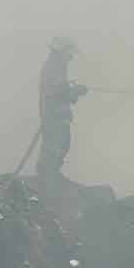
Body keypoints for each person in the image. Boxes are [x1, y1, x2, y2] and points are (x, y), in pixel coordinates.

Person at [36, 36, 88, 179]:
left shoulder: (58, 66)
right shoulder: (53, 66)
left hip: (58, 116)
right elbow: (56, 92)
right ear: (62, 51)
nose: (71, 57)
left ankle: (50, 176)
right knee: (54, 148)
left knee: (62, 145)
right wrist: (75, 91)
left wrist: (74, 90)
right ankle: (47, 178)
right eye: (70, 53)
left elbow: (60, 89)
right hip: (54, 117)